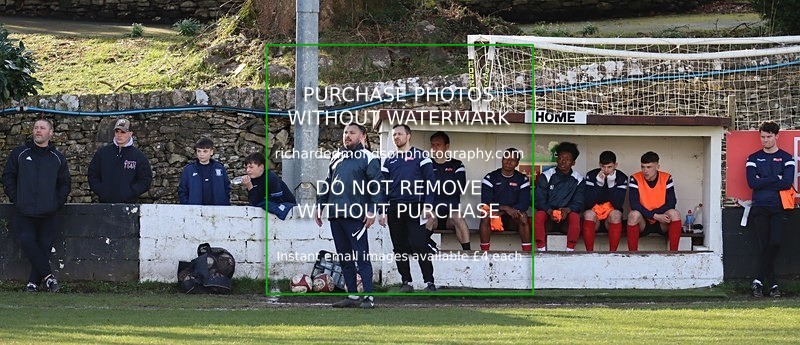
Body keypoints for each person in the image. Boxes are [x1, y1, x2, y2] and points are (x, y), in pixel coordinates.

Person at [315, 123, 381, 308]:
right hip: (336, 215)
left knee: (361, 257)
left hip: (356, 216)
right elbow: (327, 183)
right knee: (344, 257)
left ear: (362, 136)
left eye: (352, 132)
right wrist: (320, 206)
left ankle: (368, 297)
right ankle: (352, 296)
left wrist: (371, 210)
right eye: (345, 132)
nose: (347, 136)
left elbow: (376, 186)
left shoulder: (369, 158)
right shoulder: (336, 157)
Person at [2, 118, 71, 292]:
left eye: (42, 128)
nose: (38, 130)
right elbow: (8, 177)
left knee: (44, 247)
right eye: (35, 128)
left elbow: (65, 183)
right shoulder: (20, 153)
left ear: (50, 133)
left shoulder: (58, 158)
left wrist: (56, 203)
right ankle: (49, 278)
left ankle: (33, 283)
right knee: (27, 241)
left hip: (49, 212)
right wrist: (16, 198)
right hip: (24, 211)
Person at [379, 124, 438, 293]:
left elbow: (430, 182)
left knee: (418, 243)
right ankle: (407, 282)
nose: (396, 137)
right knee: (399, 246)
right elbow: (384, 188)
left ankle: (429, 282)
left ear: (408, 136)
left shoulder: (421, 156)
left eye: (399, 134)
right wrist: (382, 211)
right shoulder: (389, 160)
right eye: (394, 135)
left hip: (415, 207)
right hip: (394, 207)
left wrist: (428, 205)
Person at [746, 121, 794, 298]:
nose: (765, 140)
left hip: (779, 207)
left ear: (776, 136)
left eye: (768, 137)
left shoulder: (787, 158)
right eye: (762, 137)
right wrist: (776, 177)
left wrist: (763, 179)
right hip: (759, 206)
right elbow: (752, 183)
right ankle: (773, 285)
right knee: (765, 246)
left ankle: (758, 280)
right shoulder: (753, 158)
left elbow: (787, 182)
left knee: (775, 243)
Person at [88, 118, 153, 203]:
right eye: (117, 131)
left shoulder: (138, 156)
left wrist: (130, 192)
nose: (119, 135)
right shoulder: (102, 153)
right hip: (104, 205)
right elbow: (92, 174)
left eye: (123, 132)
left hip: (129, 206)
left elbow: (145, 179)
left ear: (130, 133)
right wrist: (102, 191)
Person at [627, 151, 681, 252]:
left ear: (657, 166)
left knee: (675, 213)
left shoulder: (666, 177)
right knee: (633, 215)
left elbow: (671, 202)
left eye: (649, 167)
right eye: (643, 167)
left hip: (661, 221)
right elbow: (634, 204)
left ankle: (674, 254)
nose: (645, 170)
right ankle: (632, 255)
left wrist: (658, 216)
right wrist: (654, 215)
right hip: (644, 220)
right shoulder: (635, 178)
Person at [481, 148, 532, 252]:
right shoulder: (490, 177)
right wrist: (504, 208)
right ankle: (484, 252)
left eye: (512, 160)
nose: (508, 162)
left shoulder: (522, 179)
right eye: (506, 158)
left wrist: (508, 211)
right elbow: (486, 202)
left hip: (513, 218)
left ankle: (527, 252)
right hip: (496, 216)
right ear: (502, 159)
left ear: (517, 163)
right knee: (485, 214)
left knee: (523, 216)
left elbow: (524, 204)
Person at [533, 142, 582, 251]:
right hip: (548, 216)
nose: (563, 161)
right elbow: (538, 199)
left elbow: (579, 202)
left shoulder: (578, 179)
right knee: (539, 215)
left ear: (573, 162)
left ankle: (570, 251)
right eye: (560, 158)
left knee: (575, 217)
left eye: (567, 159)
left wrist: (567, 210)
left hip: (566, 218)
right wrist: (549, 211)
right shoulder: (547, 175)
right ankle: (541, 250)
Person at [428, 131, 471, 250]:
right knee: (428, 216)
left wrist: (435, 186)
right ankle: (426, 244)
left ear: (447, 146)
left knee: (458, 217)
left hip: (450, 215)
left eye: (438, 145)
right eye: (433, 145)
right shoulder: (427, 164)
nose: (435, 148)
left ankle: (468, 253)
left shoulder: (457, 164)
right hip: (433, 212)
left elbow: (460, 187)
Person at [582, 150, 628, 251]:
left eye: (609, 167)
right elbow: (588, 203)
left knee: (616, 214)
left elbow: (618, 204)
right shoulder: (592, 175)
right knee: (588, 214)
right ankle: (589, 253)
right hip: (595, 219)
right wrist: (598, 184)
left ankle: (612, 253)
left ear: (615, 165)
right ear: (599, 165)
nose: (606, 170)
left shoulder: (621, 177)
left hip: (610, 219)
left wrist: (611, 185)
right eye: (603, 166)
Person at [178, 137, 231, 205]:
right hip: (194, 210)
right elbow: (182, 190)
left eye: (205, 151)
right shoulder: (189, 170)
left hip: (217, 209)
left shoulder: (219, 168)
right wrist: (187, 204)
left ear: (211, 151)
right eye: (199, 151)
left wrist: (224, 202)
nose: (201, 154)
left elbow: (227, 187)